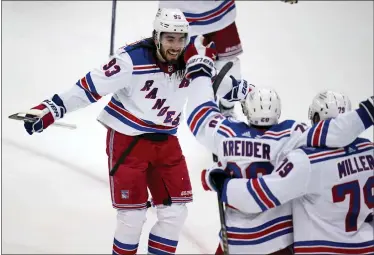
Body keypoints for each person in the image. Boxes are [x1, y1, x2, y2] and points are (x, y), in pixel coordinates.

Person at [22, 8, 216, 255]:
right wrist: (52, 108)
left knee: (175, 212)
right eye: (170, 38)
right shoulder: (131, 60)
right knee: (132, 217)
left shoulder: (192, 58)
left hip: (166, 141)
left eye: (181, 39)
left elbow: (215, 82)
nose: (176, 46)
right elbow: (88, 87)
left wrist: (240, 91)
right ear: (157, 36)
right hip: (128, 142)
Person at [182, 46, 374, 254]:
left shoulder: (226, 134)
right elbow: (333, 134)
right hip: (282, 240)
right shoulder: (294, 135)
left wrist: (200, 72)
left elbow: (199, 116)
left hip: (239, 240)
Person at [208, 91, 374, 254]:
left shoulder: (305, 160)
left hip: (322, 249)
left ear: (316, 118)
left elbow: (260, 195)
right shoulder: (370, 150)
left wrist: (224, 185)